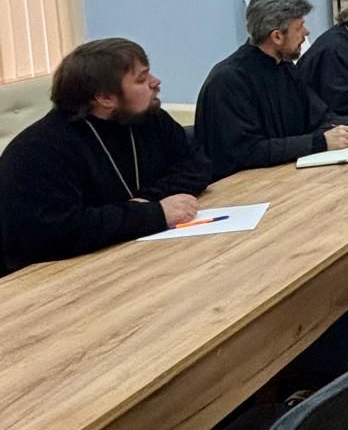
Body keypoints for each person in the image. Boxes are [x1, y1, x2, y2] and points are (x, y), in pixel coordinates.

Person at [0, 39, 212, 274]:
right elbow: (58, 232)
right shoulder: (39, 150)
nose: (155, 82)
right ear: (105, 98)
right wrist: (152, 214)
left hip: (137, 255)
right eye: (141, 79)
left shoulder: (149, 118)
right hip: (56, 275)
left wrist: (148, 200)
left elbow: (197, 166)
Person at [196, 0, 348, 179]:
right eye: (300, 27)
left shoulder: (284, 67)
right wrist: (319, 142)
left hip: (284, 177)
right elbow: (248, 151)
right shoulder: (229, 80)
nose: (306, 33)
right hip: (242, 186)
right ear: (277, 36)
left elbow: (319, 116)